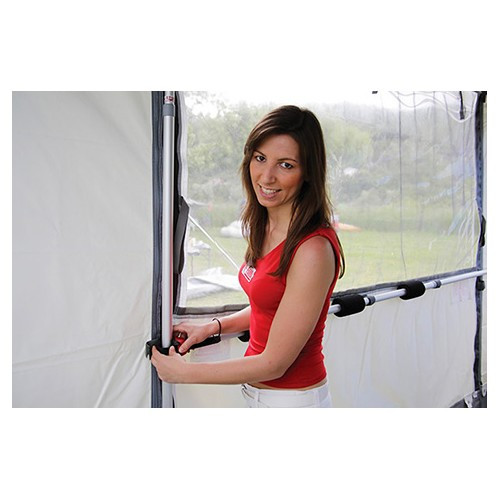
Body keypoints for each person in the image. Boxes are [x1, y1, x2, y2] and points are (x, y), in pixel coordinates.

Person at [151, 105, 345, 408]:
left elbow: (274, 364)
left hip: (292, 402)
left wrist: (184, 373)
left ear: (308, 172)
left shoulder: (312, 250)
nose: (266, 176)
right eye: (260, 158)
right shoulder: (265, 226)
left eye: (286, 165)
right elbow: (269, 308)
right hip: (259, 397)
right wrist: (212, 327)